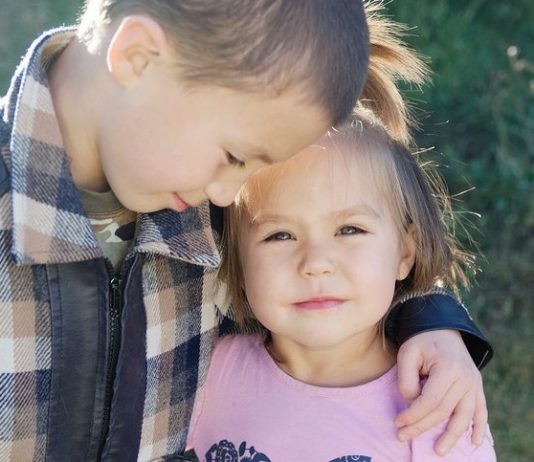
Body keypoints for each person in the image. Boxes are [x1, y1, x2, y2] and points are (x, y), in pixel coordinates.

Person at [0, 1, 491, 460]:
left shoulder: (197, 190)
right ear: (138, 56)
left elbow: (355, 246)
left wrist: (431, 320)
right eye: (235, 157)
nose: (227, 196)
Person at [187, 106, 497, 461]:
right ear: (239, 264)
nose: (316, 264)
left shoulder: (439, 409)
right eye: (280, 235)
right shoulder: (204, 373)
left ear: (404, 254)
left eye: (350, 230)